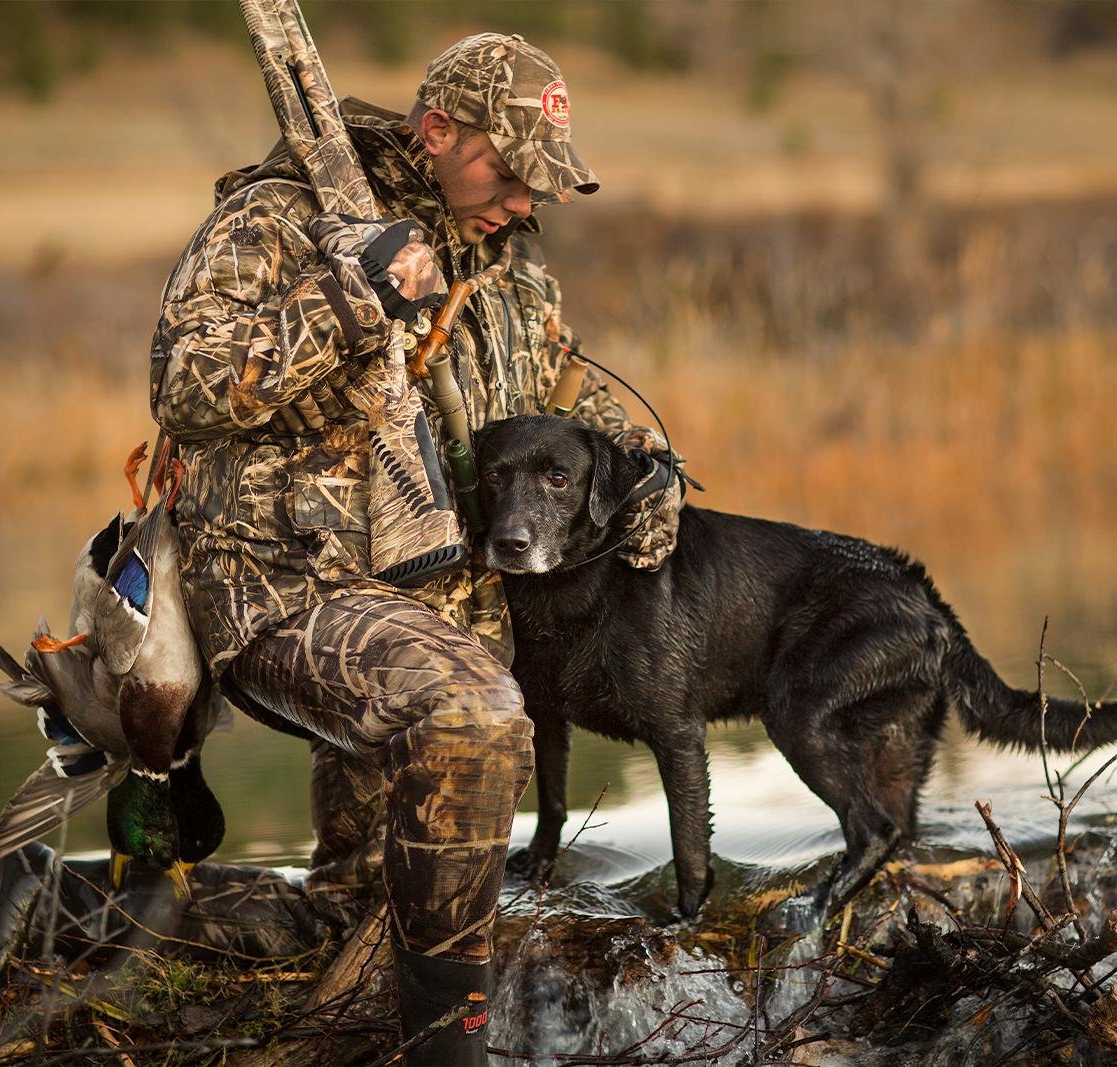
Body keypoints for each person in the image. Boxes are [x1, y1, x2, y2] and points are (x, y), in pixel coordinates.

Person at [149, 32, 681, 1066]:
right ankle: (449, 1049)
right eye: (512, 171)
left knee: (363, 913)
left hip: (440, 607)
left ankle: (143, 928)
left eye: (542, 183)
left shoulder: (499, 253)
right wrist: (352, 299)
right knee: (475, 717)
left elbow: (554, 395)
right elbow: (187, 387)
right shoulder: (283, 217)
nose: (527, 201)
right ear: (437, 131)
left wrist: (645, 465)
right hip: (284, 585)